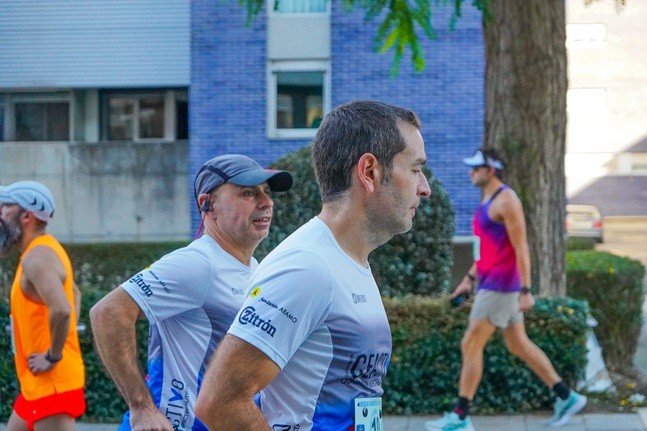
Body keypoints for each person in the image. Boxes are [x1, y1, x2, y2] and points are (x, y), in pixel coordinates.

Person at [194, 100, 432, 430]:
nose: (425, 188)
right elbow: (219, 402)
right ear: (369, 172)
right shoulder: (307, 267)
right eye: (416, 169)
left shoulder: (344, 260)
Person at [89, 154, 293, 431]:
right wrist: (142, 407)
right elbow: (107, 312)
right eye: (248, 193)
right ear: (208, 204)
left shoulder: (256, 269)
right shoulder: (198, 263)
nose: (266, 202)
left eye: (267, 192)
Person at [425, 148, 587, 431]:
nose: (470, 172)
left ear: (491, 170)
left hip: (501, 286)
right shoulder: (487, 200)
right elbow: (486, 250)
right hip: (489, 282)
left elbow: (521, 246)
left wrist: (526, 289)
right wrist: (469, 278)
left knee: (470, 343)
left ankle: (460, 417)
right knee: (517, 344)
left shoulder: (507, 200)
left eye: (476, 168)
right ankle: (566, 396)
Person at [1, 181, 86, 431]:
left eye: (5, 207)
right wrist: (62, 338)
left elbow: (62, 309)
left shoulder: (37, 257)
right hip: (37, 383)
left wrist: (53, 355)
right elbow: (75, 294)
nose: (0, 213)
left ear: (26, 216)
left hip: (51, 383)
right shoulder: (44, 249)